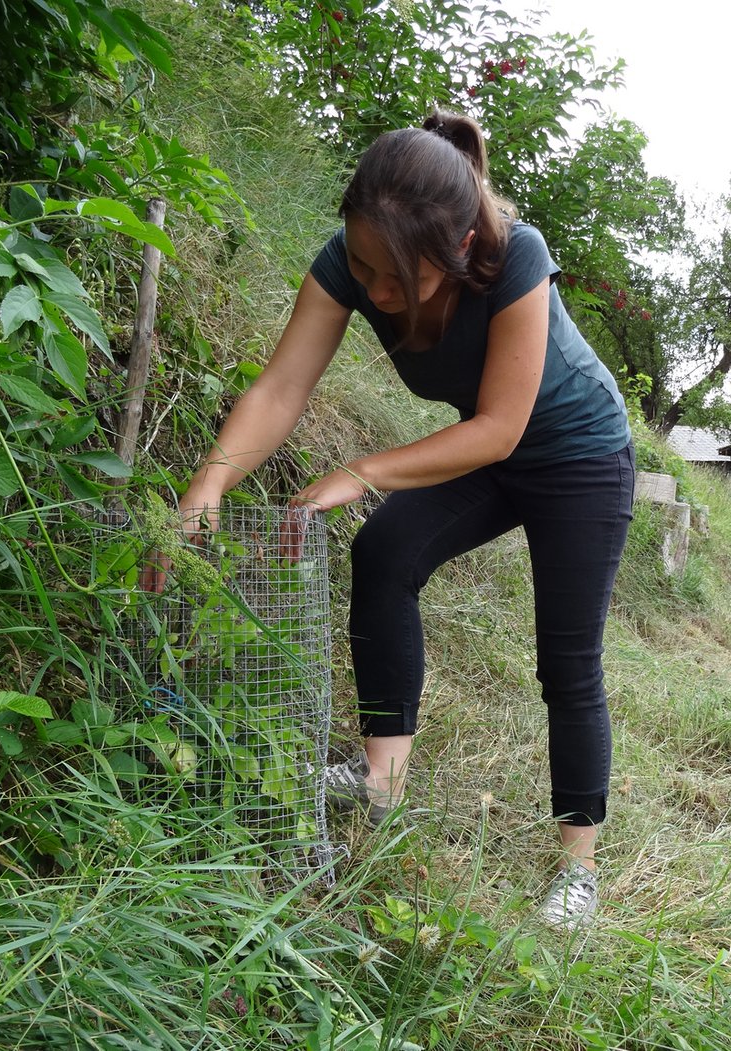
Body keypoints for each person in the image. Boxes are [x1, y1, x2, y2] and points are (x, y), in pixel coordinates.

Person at [153, 111, 634, 929]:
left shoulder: (515, 256)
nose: (373, 291)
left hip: (577, 455)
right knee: (384, 552)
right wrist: (207, 489)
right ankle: (381, 776)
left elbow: (500, 427)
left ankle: (577, 869)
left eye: (394, 280)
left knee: (566, 657)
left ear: (453, 255)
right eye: (364, 266)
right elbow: (280, 388)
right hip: (494, 452)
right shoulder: (352, 259)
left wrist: (363, 470)